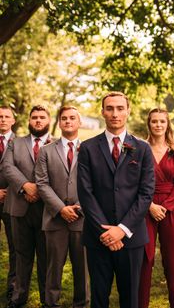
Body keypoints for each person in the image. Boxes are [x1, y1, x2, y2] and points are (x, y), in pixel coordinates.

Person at [77, 91, 155, 308]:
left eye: (120, 108)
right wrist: (105, 232)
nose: (115, 113)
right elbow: (85, 192)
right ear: (102, 112)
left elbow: (146, 193)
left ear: (128, 111)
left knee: (130, 298)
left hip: (131, 237)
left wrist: (121, 229)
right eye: (110, 108)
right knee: (99, 298)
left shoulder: (142, 148)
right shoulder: (88, 147)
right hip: (97, 237)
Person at [35, 106, 89, 308]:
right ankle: (51, 304)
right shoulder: (46, 151)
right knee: (53, 269)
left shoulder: (89, 150)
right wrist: (60, 208)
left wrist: (79, 207)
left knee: (82, 270)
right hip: (54, 219)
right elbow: (41, 183)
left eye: (72, 118)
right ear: (59, 123)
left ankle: (82, 304)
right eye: (64, 118)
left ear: (79, 122)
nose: (68, 121)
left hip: (82, 219)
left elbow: (96, 183)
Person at [4, 105, 53, 308]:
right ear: (29, 121)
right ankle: (18, 298)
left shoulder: (57, 144)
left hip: (47, 210)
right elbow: (7, 167)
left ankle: (46, 299)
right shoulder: (16, 143)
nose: (38, 120)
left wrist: (39, 191)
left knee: (46, 258)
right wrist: (25, 186)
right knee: (22, 256)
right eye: (34, 117)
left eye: (42, 117)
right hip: (20, 207)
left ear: (49, 120)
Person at [139, 108, 174, 308]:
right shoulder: (140, 149)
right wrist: (150, 206)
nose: (158, 125)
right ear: (149, 124)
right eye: (154, 121)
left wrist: (165, 207)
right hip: (145, 207)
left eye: (162, 122)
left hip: (170, 208)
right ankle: (141, 303)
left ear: (167, 125)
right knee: (145, 259)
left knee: (172, 259)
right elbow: (134, 181)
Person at [0, 106, 16, 299]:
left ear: (13, 120)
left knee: (15, 248)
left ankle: (13, 289)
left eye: (6, 117)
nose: (2, 119)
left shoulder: (21, 143)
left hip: (12, 201)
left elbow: (29, 172)